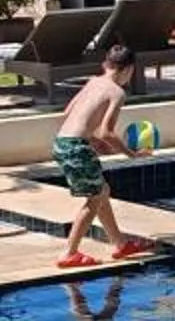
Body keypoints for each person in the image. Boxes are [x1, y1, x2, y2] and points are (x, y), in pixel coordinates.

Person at [52, 43, 159, 271]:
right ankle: (69, 253)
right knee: (94, 198)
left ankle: (119, 243)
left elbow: (67, 113)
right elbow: (106, 131)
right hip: (76, 147)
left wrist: (90, 140)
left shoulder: (93, 82)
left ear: (107, 64)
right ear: (128, 69)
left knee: (102, 191)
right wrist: (130, 154)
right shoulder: (117, 92)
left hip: (62, 142)